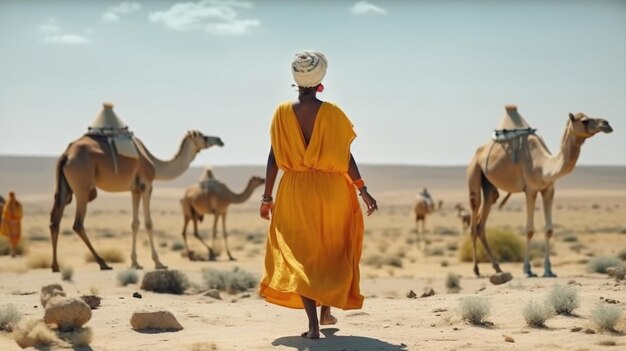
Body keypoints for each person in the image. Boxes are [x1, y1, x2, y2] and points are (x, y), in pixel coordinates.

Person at [258, 51, 378, 339]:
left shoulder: (281, 113)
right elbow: (346, 156)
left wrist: (266, 197)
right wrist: (363, 190)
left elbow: (274, 158)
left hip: (294, 191)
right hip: (332, 191)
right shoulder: (334, 113)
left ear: (296, 80)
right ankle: (324, 310)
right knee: (330, 251)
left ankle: (315, 322)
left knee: (301, 254)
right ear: (320, 80)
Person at [1, 192, 23, 258]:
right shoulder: (7, 204)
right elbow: (5, 214)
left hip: (16, 225)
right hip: (10, 225)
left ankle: (14, 252)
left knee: (16, 239)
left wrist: (16, 218)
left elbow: (20, 213)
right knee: (11, 239)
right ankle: (13, 252)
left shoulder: (17, 204)